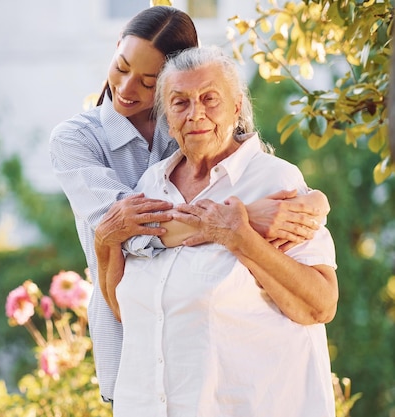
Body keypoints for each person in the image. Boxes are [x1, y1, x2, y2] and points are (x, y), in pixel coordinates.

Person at [49, 5, 329, 405]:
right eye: (121, 67)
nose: (128, 89)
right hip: (127, 330)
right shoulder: (79, 140)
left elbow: (259, 168)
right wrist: (242, 219)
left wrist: (316, 203)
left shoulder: (188, 123)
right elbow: (129, 233)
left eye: (148, 82)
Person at [108, 45, 338, 416]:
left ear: (236, 107)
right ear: (167, 114)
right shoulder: (150, 185)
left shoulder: (274, 180)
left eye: (209, 99)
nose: (195, 112)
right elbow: (127, 307)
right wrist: (107, 239)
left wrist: (240, 237)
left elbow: (320, 303)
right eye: (180, 102)